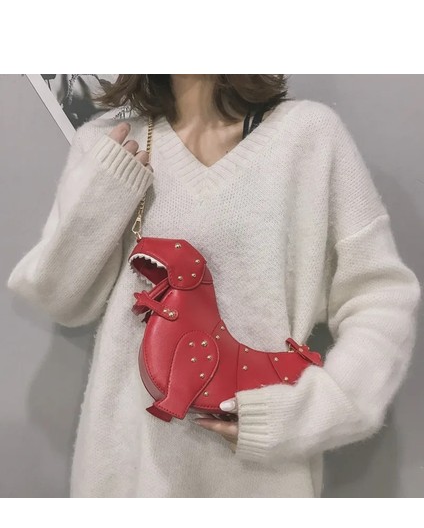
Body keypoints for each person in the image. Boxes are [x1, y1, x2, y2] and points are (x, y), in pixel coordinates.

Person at [7, 74, 422, 498]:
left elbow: (382, 295)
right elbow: (61, 298)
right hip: (125, 469)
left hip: (259, 478)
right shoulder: (107, 141)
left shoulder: (308, 136)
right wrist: (106, 186)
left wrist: (312, 412)